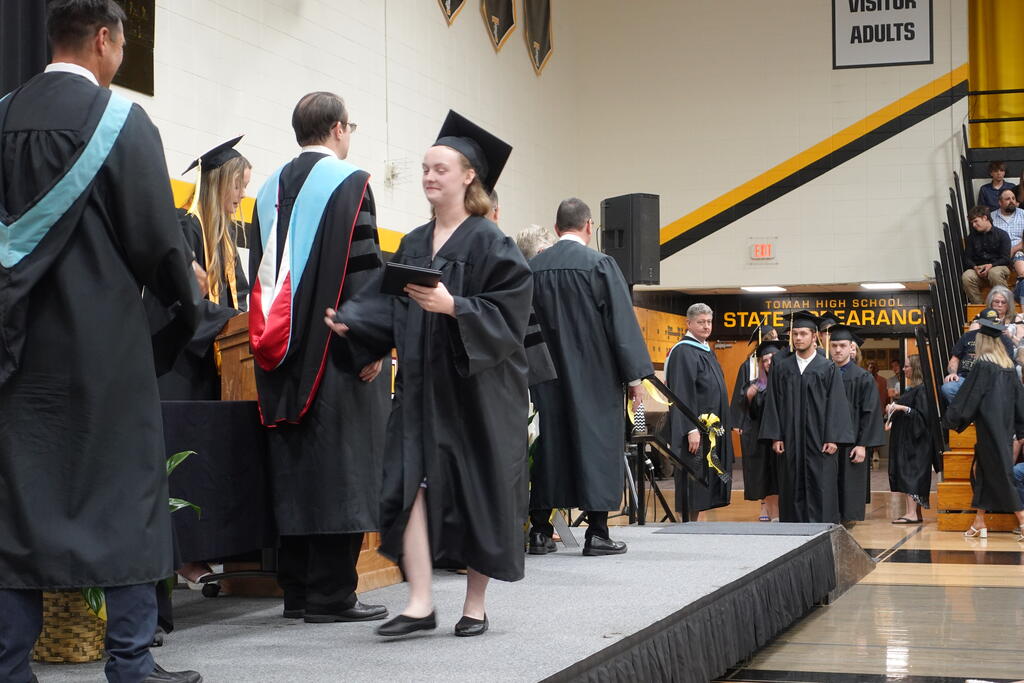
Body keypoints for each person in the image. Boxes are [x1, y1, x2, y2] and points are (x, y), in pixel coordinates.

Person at [0, 2, 203, 681]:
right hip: (105, 351)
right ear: (105, 39)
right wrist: (187, 311)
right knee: (126, 497)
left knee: (16, 502)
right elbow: (158, 242)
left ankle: (9, 665)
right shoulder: (122, 122)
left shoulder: (2, 117)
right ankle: (130, 662)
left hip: (16, 349)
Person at [330, 110, 532, 637]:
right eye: (424, 168)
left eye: (440, 168)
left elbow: (510, 317)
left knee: (478, 493)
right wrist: (355, 325)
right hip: (420, 391)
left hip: (476, 394)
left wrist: (454, 306)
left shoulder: (492, 243)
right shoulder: (414, 242)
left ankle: (475, 604)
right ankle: (420, 603)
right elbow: (388, 307)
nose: (428, 176)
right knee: (409, 487)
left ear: (469, 176)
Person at [248, 92, 390, 625]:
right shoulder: (351, 184)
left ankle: (297, 591)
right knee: (339, 469)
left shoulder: (267, 191)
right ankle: (332, 595)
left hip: (278, 356)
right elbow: (363, 274)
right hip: (334, 358)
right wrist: (369, 345)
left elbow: (257, 279)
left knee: (295, 471)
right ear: (338, 129)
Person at [525, 197, 652, 555]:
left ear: (555, 229)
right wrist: (635, 380)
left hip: (543, 377)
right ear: (589, 226)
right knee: (599, 447)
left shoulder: (532, 269)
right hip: (595, 378)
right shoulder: (600, 265)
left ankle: (539, 531)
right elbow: (620, 324)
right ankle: (597, 532)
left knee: (548, 447)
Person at [152, 138, 252, 401]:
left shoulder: (225, 239)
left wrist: (242, 321)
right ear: (219, 183)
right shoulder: (186, 228)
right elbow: (176, 301)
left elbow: (239, 295)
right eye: (238, 185)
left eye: (245, 187)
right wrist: (228, 320)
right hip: (181, 365)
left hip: (212, 363)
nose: (243, 194)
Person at [759, 311, 854, 523]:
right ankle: (793, 532)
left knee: (821, 486)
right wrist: (776, 436)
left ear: (814, 336)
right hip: (790, 440)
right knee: (791, 485)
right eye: (795, 334)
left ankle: (822, 531)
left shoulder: (827, 367)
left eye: (803, 334)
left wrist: (833, 437)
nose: (798, 338)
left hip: (819, 441)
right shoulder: (782, 368)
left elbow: (837, 404)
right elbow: (773, 402)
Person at [944, 318, 1024, 539]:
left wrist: (951, 420)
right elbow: (1020, 402)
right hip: (1004, 429)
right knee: (982, 472)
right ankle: (979, 521)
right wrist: (1021, 429)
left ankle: (1022, 519)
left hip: (989, 429)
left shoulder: (983, 366)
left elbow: (969, 397)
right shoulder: (1009, 368)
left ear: (983, 342)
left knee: (1001, 474)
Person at [665, 303, 733, 518]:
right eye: (701, 322)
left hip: (709, 430)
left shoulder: (705, 349)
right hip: (695, 431)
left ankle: (696, 525)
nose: (706, 326)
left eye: (709, 322)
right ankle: (687, 526)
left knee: (703, 483)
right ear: (689, 323)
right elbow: (682, 393)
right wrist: (690, 429)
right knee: (693, 479)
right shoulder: (683, 351)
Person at [829, 326, 885, 525]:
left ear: (851, 347)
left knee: (849, 480)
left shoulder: (862, 377)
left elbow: (870, 412)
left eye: (842, 345)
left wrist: (863, 444)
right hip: (827, 441)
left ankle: (847, 518)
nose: (838, 350)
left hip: (852, 441)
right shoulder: (823, 373)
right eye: (834, 345)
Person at [886, 356, 940, 524]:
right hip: (909, 440)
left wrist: (901, 407)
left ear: (915, 368)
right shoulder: (914, 389)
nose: (904, 369)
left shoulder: (923, 390)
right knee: (909, 473)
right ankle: (915, 513)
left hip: (917, 442)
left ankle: (911, 514)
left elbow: (923, 417)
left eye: (907, 366)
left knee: (911, 474)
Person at [739, 339, 786, 521]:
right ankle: (774, 516)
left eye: (772, 358)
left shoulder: (789, 380)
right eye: (764, 360)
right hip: (763, 441)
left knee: (782, 479)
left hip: (783, 438)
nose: (768, 363)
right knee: (769, 481)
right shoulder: (755, 385)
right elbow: (749, 414)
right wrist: (749, 398)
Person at [941, 308, 1015, 404]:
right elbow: (955, 359)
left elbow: (1008, 365)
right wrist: (953, 373)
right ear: (980, 324)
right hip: (965, 378)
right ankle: (965, 412)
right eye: (987, 324)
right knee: (948, 388)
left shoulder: (1004, 340)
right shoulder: (968, 336)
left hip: (992, 380)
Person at [962, 205, 1011, 304]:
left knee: (994, 273)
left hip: (998, 267)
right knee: (967, 276)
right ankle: (979, 307)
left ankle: (1004, 305)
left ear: (985, 218)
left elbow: (1006, 259)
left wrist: (991, 265)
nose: (974, 225)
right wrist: (975, 267)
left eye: (976, 221)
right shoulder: (972, 237)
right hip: (979, 270)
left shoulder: (1002, 234)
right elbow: (967, 258)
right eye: (972, 223)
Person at [991, 188, 1024, 284]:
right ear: (1000, 202)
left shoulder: (1023, 214)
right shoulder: (991, 217)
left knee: (1019, 254)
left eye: (1013, 198)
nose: (1012, 201)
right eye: (1008, 199)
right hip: (1000, 256)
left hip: (1021, 251)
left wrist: (1014, 249)